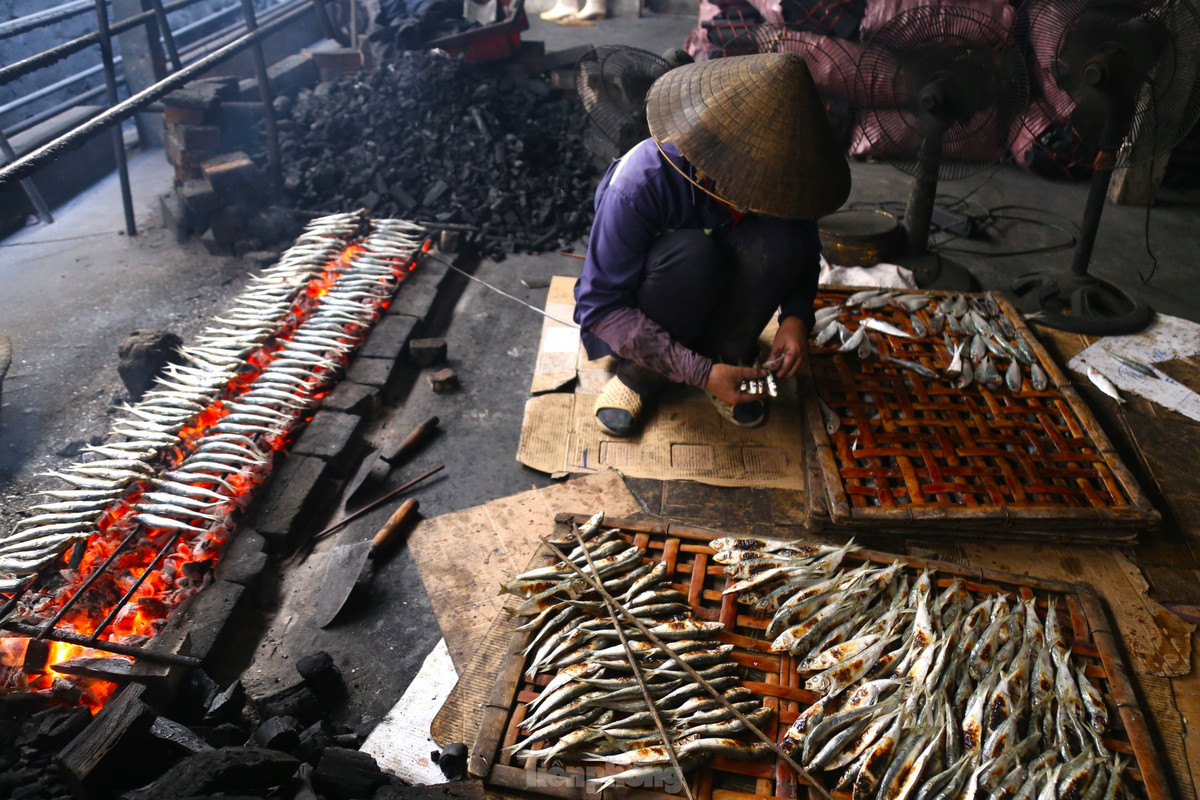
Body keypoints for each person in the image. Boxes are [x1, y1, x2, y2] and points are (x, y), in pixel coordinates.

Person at [573, 53, 851, 436]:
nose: (762, 196)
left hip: (722, 305)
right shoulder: (639, 184)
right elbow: (601, 308)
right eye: (750, 185)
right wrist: (698, 373)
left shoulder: (785, 182)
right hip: (658, 300)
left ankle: (729, 355)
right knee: (694, 255)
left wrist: (796, 316)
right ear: (710, 163)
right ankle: (641, 376)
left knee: (785, 238)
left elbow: (802, 251)